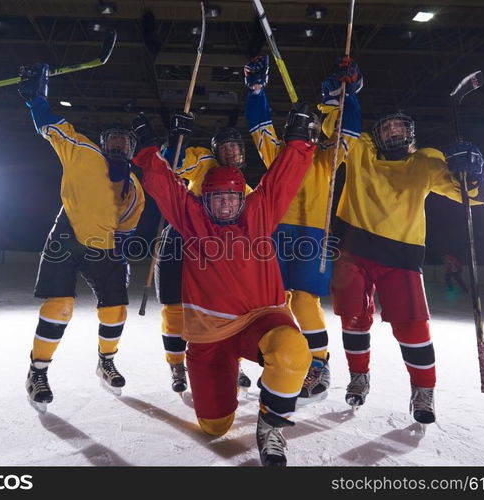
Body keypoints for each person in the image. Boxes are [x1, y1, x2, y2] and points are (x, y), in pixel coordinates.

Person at [132, 103, 319, 466]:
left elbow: (284, 176)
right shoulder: (192, 219)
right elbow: (161, 181)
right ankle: (226, 376)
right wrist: (146, 150)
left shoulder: (259, 212)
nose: (223, 206)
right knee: (214, 427)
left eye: (231, 198)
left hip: (260, 321)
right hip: (209, 337)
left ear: (241, 198)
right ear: (204, 200)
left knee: (293, 350)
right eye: (216, 199)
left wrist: (299, 139)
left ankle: (271, 426)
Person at [321, 57, 484, 423]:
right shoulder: (362, 149)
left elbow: (470, 195)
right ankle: (359, 377)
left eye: (401, 128)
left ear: (411, 134)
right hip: (354, 251)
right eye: (388, 129)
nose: (394, 133)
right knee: (353, 317)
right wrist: (340, 98)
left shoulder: (426, 162)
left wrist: (473, 172)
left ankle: (423, 390)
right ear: (378, 134)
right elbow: (338, 133)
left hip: (402, 257)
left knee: (413, 325)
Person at [18, 63, 145, 412]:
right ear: (104, 143)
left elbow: (126, 229)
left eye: (125, 142)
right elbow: (49, 125)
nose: (119, 145)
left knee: (116, 309)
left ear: (132, 150)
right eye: (114, 140)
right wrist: (35, 100)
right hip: (67, 236)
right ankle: (37, 371)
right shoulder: (83, 150)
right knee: (60, 306)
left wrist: (118, 257)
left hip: (105, 247)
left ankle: (106, 361)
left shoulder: (134, 190)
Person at [243, 55, 340, 401]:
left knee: (304, 301)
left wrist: (334, 103)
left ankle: (318, 363)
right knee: (273, 302)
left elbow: (345, 132)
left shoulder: (327, 156)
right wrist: (256, 90)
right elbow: (259, 124)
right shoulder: (279, 153)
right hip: (277, 234)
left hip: (312, 233)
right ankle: (284, 359)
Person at [139, 114, 253, 393]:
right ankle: (177, 364)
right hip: (181, 238)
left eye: (235, 147)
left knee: (226, 309)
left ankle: (232, 361)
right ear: (216, 151)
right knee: (174, 306)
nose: (230, 152)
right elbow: (172, 164)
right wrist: (180, 138)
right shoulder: (204, 162)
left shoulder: (246, 189)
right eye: (224, 147)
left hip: (214, 250)